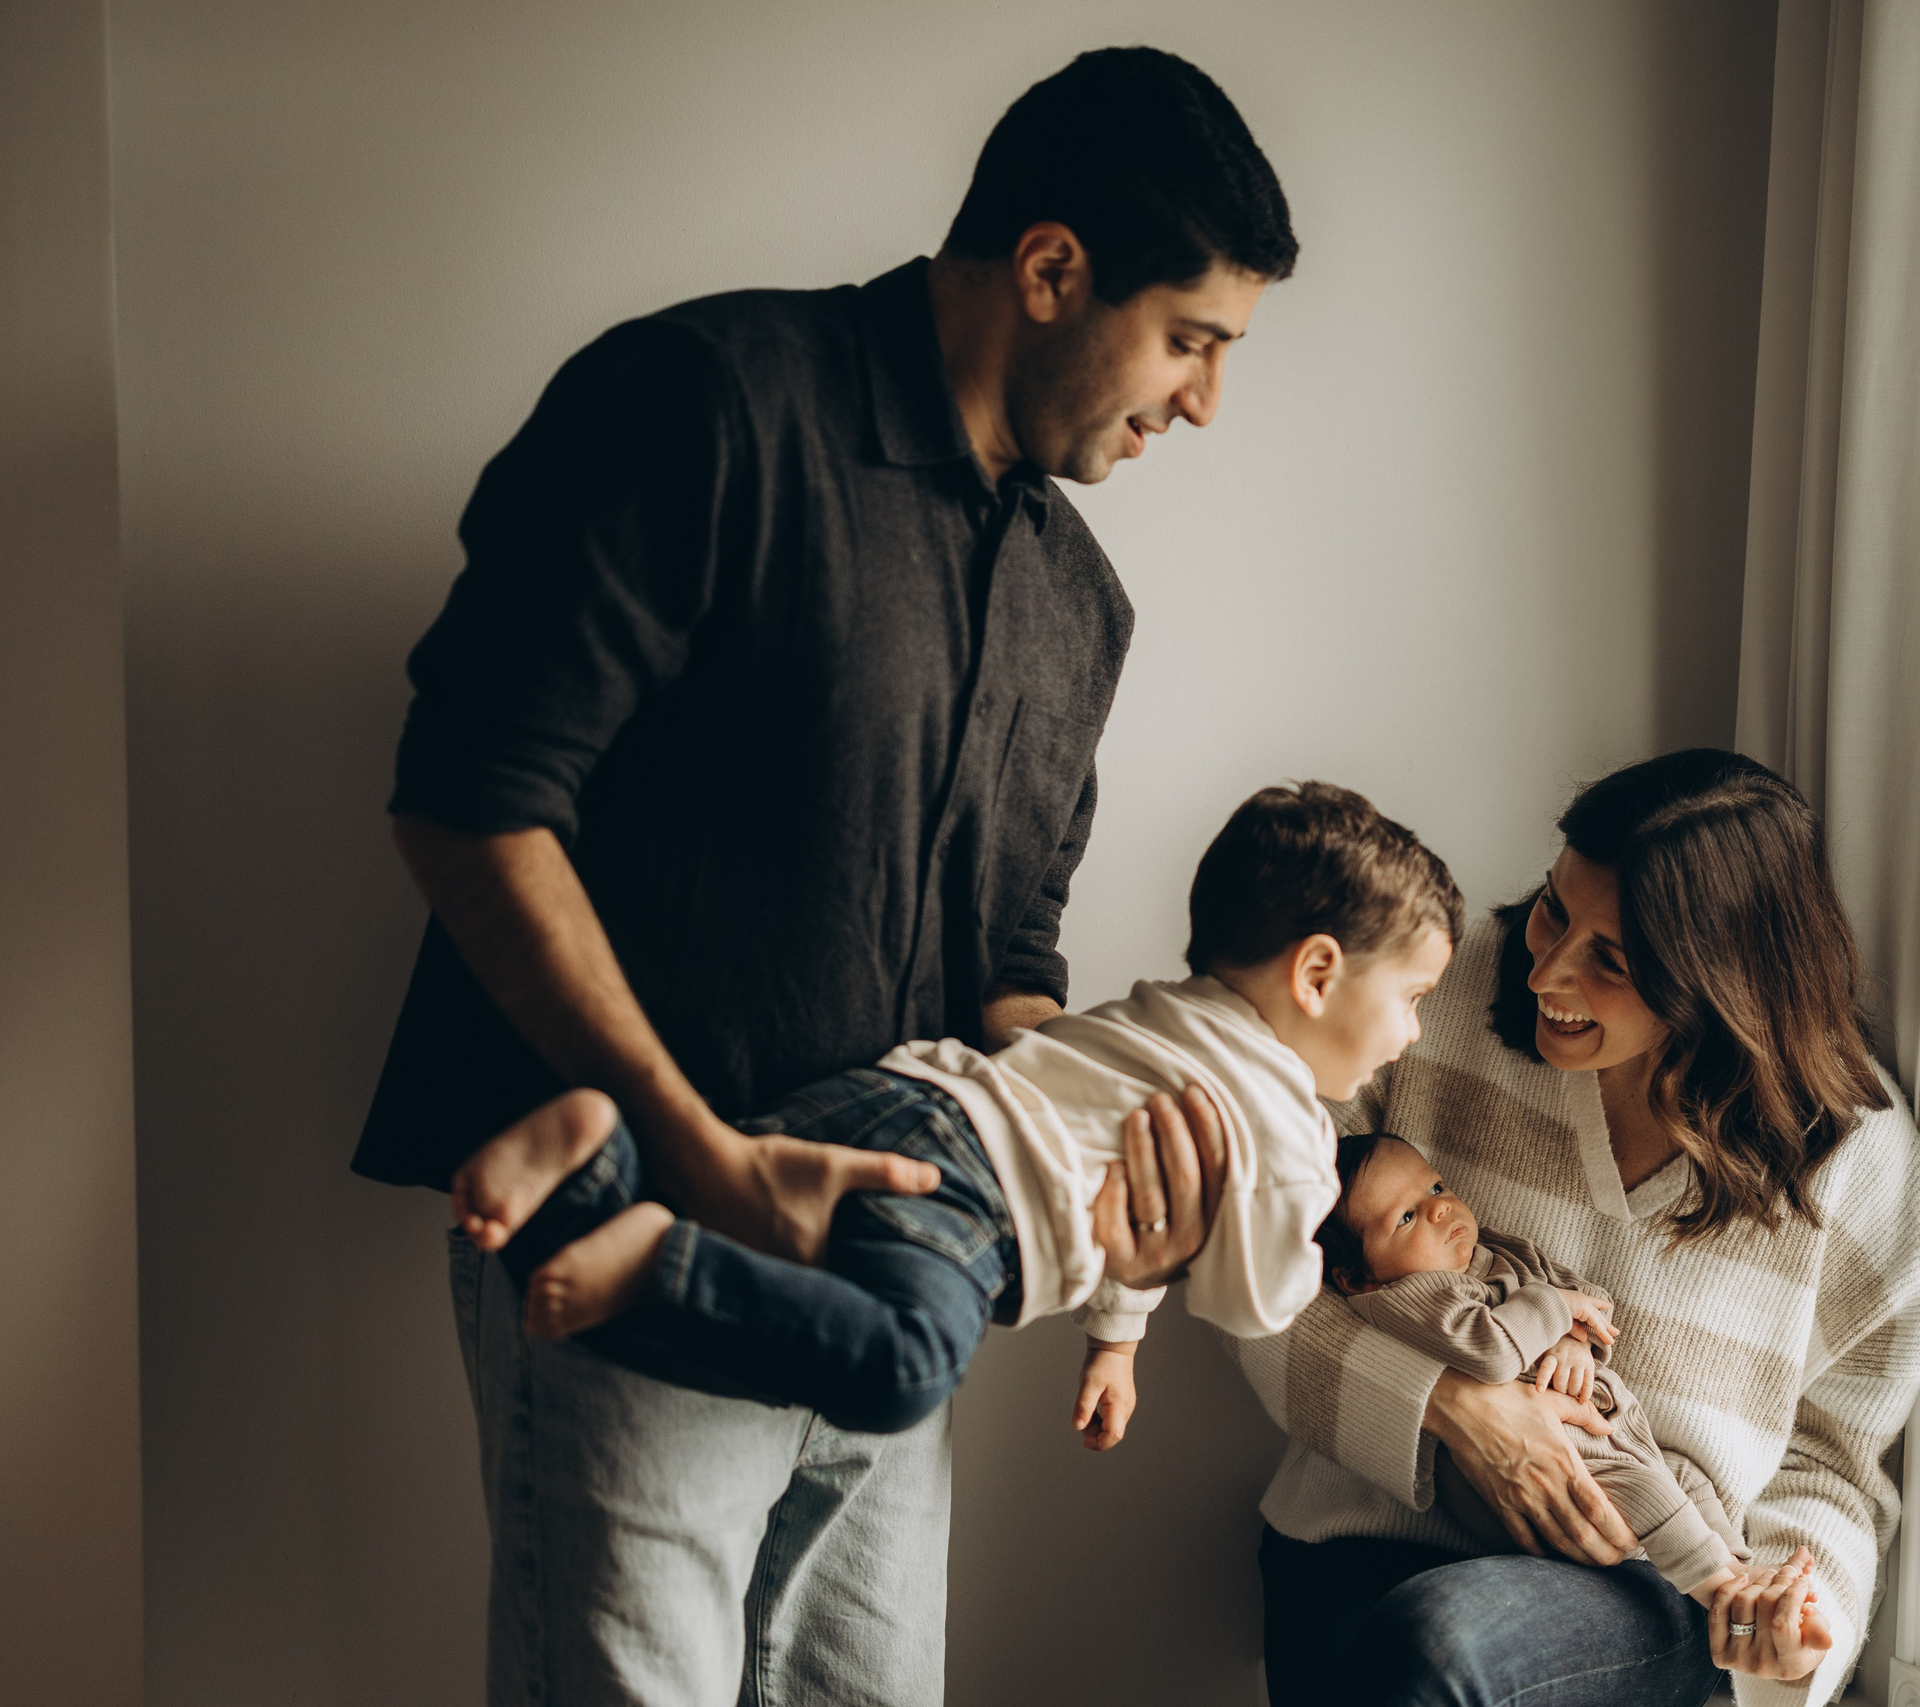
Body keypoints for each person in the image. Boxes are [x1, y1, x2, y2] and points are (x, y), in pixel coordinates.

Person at [350, 46, 1297, 1707]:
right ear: (1053, 267)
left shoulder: (1084, 606)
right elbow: (469, 800)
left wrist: (1127, 1166)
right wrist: (706, 1156)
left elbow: (1008, 963)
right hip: (640, 1230)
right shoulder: (706, 400)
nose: (1205, 402)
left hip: (883, 1283)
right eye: (1191, 340)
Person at [1235, 749, 1920, 1707]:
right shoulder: (1426, 998)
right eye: (1553, 908)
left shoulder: (1854, 1162)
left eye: (1610, 959)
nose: (1546, 972)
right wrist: (1451, 1407)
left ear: (1722, 983)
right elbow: (1256, 1276)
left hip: (1645, 1573)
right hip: (1354, 1535)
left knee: (1437, 1647)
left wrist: (1789, 1619)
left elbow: (1832, 1461)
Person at [447, 782, 1461, 1440]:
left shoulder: (1171, 1014)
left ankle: (599, 1148)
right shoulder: (1291, 1128)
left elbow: (1141, 1197)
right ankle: (659, 1263)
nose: (1410, 1033)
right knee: (902, 1366)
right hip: (963, 1209)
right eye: (1411, 999)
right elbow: (1248, 1299)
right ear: (1319, 973)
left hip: (909, 1091)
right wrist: (1297, 1230)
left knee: (714, 1182)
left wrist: (1116, 1340)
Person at [1317, 1131, 1823, 1650]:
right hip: (1547, 1461)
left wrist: (1576, 1341)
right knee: (1647, 1490)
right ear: (1357, 1278)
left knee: (1685, 1476)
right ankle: (1723, 1595)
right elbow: (1488, 1348)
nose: (1440, 1210)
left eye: (1436, 1187)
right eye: (1406, 1217)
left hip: (1597, 1426)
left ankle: (1739, 1569)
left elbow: (1588, 1299)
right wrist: (1557, 1310)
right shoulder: (1406, 1296)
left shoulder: (1494, 1252)